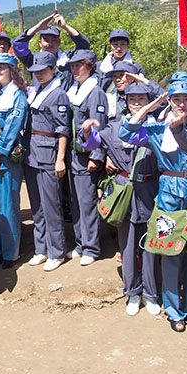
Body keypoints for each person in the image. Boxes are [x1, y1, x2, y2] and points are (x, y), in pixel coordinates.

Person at [123, 78, 187, 332]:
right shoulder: (158, 130)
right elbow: (126, 133)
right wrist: (146, 109)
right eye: (176, 99)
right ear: (169, 101)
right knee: (171, 253)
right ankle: (173, 310)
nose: (182, 104)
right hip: (170, 193)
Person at [86, 83, 162, 316]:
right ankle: (132, 292)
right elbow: (94, 143)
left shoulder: (158, 128)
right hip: (124, 191)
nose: (137, 103)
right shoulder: (115, 127)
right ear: (126, 103)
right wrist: (86, 132)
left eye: (142, 98)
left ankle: (151, 293)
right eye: (132, 99)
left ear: (149, 101)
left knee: (150, 244)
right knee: (127, 244)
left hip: (151, 189)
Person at [24, 51, 71, 269]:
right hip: (32, 154)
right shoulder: (37, 91)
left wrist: (60, 158)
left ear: (53, 69)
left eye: (43, 70)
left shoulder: (58, 94)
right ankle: (41, 248)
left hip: (48, 154)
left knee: (51, 205)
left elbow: (63, 129)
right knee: (37, 206)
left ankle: (57, 251)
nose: (39, 74)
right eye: (36, 71)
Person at [0, 54, 29, 267]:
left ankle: (11, 253)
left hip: (6, 154)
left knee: (8, 204)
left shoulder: (17, 95)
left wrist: (0, 151)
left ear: (12, 70)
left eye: (2, 67)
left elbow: (13, 124)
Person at [64, 50, 108, 266]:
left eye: (79, 65)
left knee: (87, 201)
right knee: (75, 201)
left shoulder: (95, 92)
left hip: (86, 155)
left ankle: (91, 247)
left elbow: (100, 124)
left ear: (90, 67)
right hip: (72, 154)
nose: (75, 70)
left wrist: (96, 156)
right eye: (72, 66)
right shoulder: (73, 89)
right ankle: (80, 243)